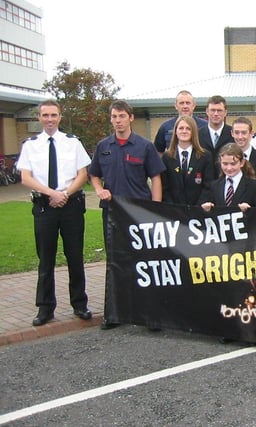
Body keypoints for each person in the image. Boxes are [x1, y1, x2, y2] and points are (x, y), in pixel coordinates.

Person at [90, 99, 166, 330]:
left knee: (144, 263)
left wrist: (155, 209)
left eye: (122, 116)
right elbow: (93, 174)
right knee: (116, 262)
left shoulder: (144, 146)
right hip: (113, 214)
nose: (118, 120)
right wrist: (98, 189)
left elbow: (155, 177)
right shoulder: (104, 146)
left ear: (130, 118)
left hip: (139, 213)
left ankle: (149, 315)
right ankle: (114, 314)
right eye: (114, 117)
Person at [16, 99, 92, 326]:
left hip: (71, 205)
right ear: (39, 118)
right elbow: (26, 177)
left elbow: (82, 175)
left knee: (75, 257)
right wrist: (52, 193)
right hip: (44, 206)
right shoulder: (30, 145)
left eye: (53, 115)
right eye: (45, 115)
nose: (49, 119)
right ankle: (45, 308)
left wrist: (64, 194)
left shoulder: (73, 143)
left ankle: (80, 305)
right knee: (45, 259)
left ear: (60, 117)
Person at [161, 115, 215, 206]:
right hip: (174, 210)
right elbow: (164, 187)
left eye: (188, 129)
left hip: (198, 210)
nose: (184, 131)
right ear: (175, 132)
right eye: (181, 128)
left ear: (193, 132)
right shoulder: (167, 157)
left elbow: (208, 185)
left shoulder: (205, 156)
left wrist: (197, 208)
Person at [201, 143, 256, 212]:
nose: (229, 168)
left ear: (242, 163)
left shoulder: (254, 185)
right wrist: (207, 209)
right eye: (225, 164)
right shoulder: (215, 186)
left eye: (233, 164)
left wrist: (249, 210)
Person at [198, 95, 234, 176]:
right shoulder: (197, 135)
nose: (216, 114)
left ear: (225, 112)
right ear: (207, 111)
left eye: (219, 110)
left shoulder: (233, 134)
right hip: (203, 182)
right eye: (213, 110)